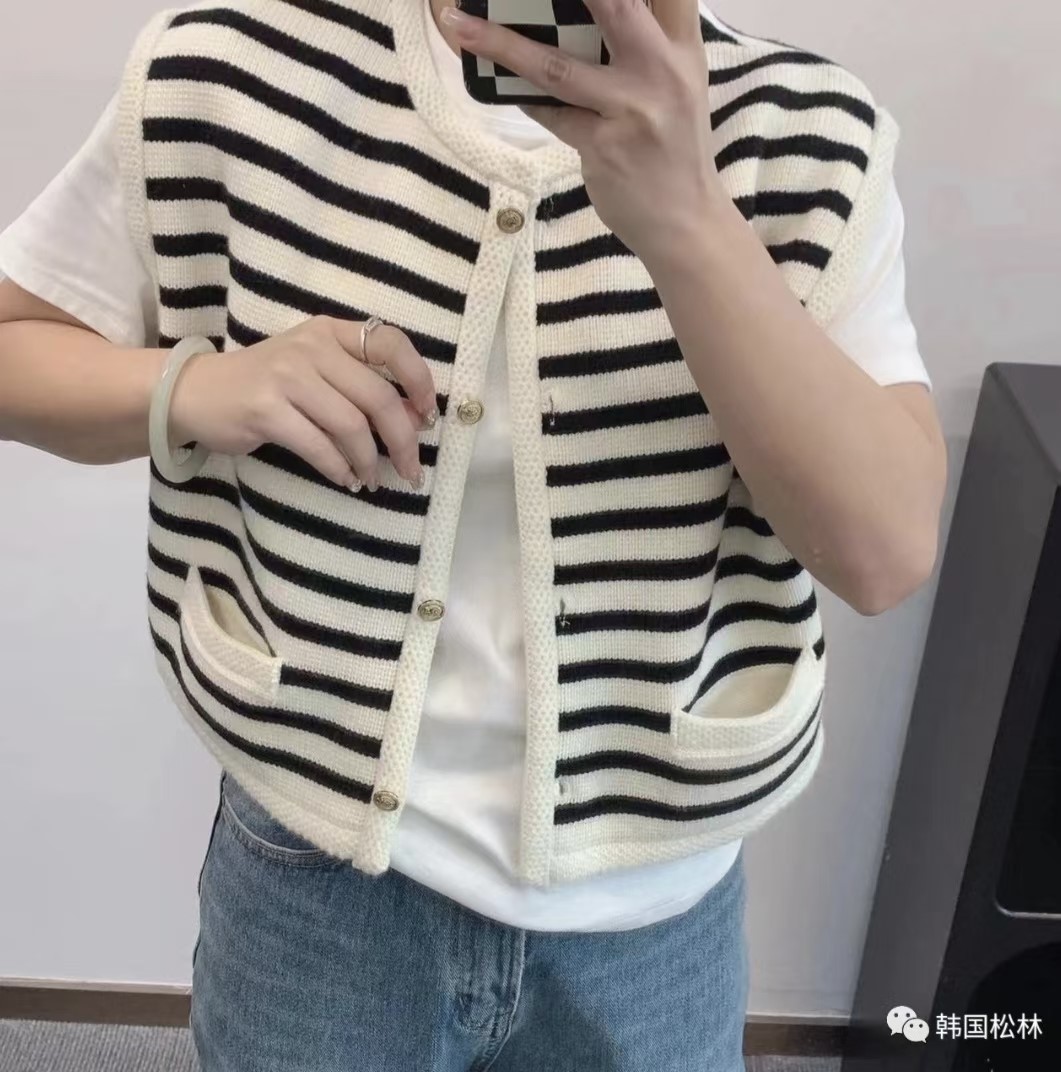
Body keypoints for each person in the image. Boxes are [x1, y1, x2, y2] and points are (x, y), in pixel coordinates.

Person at [0, 0, 946, 1068]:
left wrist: (687, 216)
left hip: (649, 906)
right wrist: (196, 386)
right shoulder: (225, 68)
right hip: (312, 880)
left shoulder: (805, 134)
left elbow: (882, 552)